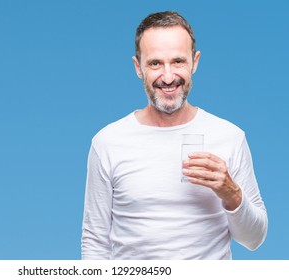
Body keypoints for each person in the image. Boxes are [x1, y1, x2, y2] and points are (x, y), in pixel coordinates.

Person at [81, 11, 267, 260]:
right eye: (155, 63)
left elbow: (254, 239)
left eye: (178, 61)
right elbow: (95, 243)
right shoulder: (107, 143)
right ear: (138, 67)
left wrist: (231, 192)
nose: (168, 77)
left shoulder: (229, 137)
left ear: (195, 61)